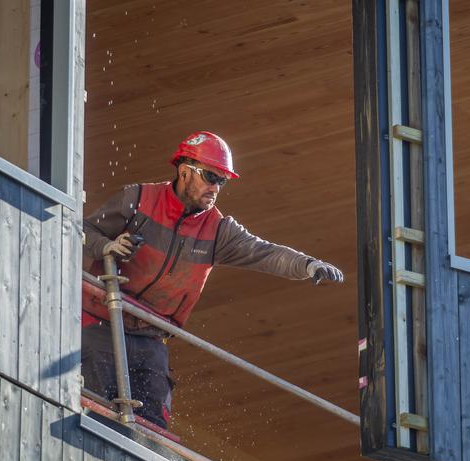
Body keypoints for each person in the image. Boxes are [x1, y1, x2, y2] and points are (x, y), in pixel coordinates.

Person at [81, 131, 343, 429]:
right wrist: (107, 247)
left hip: (150, 336)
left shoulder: (218, 230)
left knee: (152, 426)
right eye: (210, 176)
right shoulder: (138, 199)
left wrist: (308, 265)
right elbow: (83, 229)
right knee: (95, 409)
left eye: (222, 181)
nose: (215, 187)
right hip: (100, 320)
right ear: (183, 171)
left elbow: (264, 252)